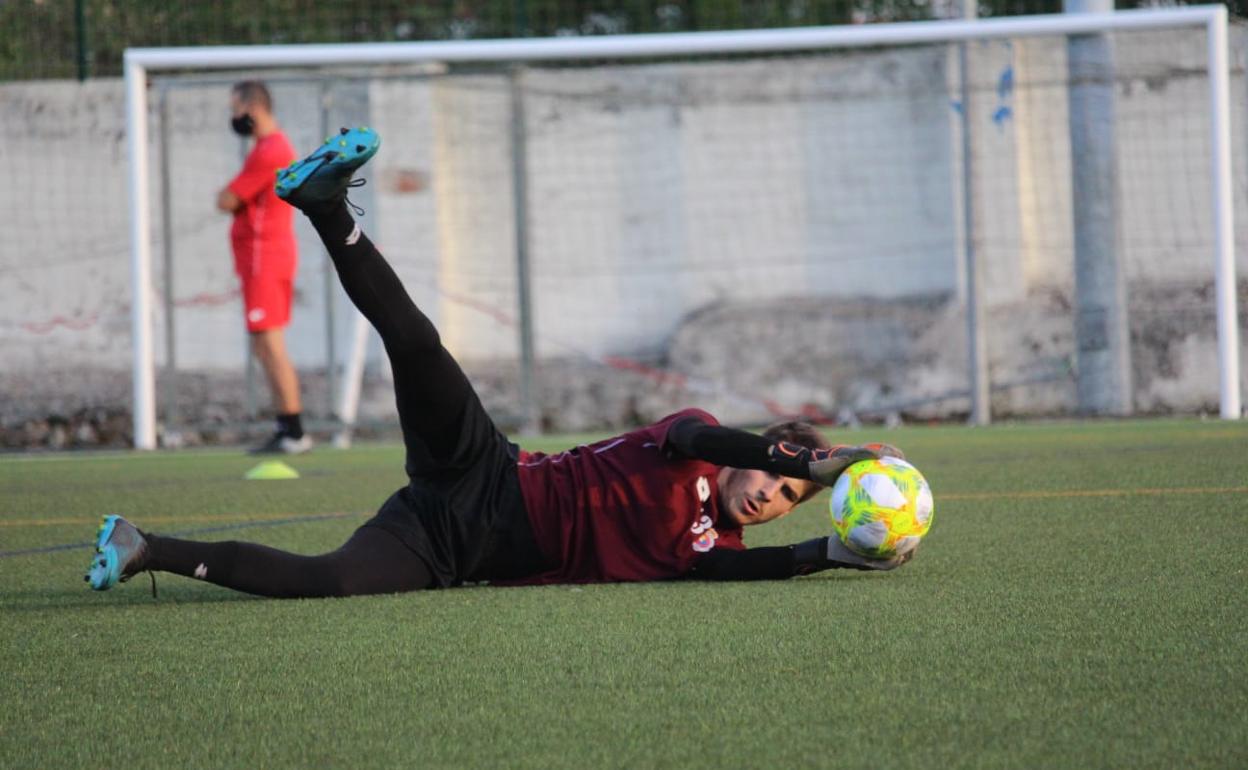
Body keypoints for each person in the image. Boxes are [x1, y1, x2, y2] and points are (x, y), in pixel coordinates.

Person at [85, 128, 916, 598]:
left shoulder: (713, 550)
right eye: (783, 476)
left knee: (327, 583)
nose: (774, 496)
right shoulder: (692, 441)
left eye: (792, 500)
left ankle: (143, 545)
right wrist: (824, 459)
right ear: (773, 448)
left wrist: (831, 556)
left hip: (453, 553)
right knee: (417, 347)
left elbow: (762, 565)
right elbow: (731, 444)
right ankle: (327, 207)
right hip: (486, 472)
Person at [217, 80, 310, 455]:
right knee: (263, 344)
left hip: (264, 259)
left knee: (270, 343)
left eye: (235, 109)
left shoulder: (270, 151)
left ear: (252, 110)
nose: (233, 117)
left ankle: (294, 431)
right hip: (262, 258)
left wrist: (229, 199)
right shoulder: (267, 148)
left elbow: (228, 199)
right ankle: (286, 427)